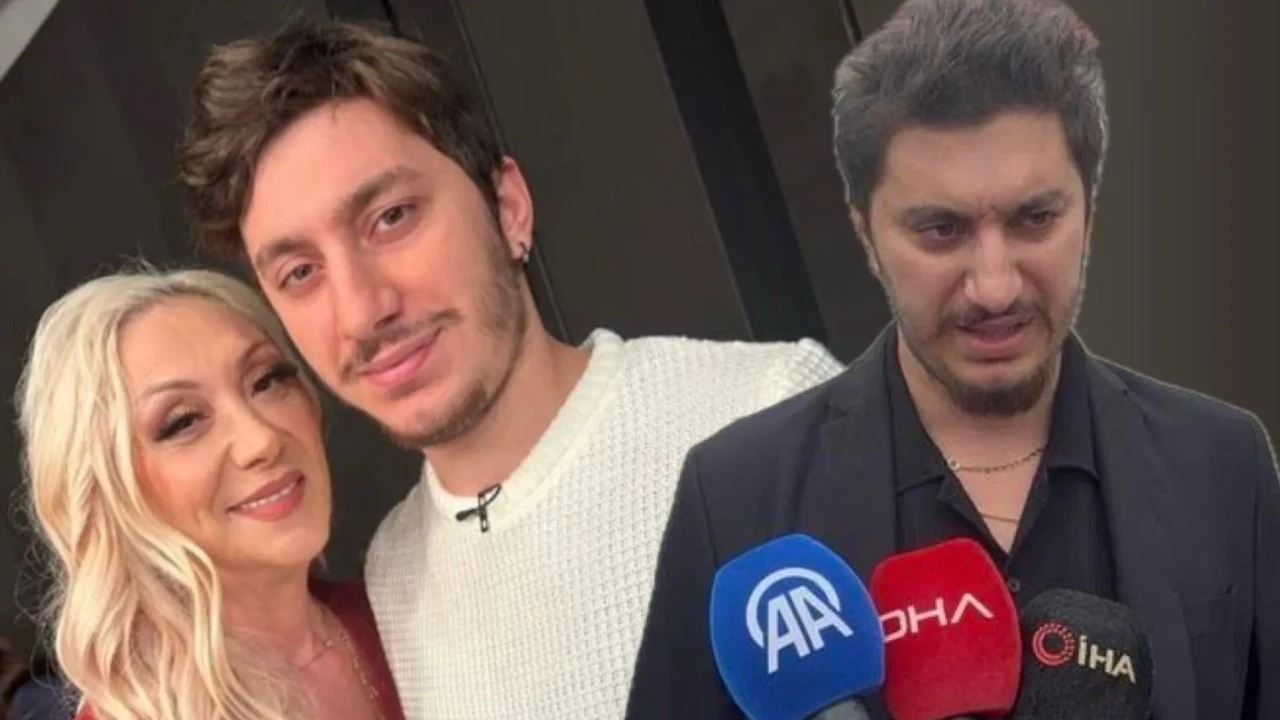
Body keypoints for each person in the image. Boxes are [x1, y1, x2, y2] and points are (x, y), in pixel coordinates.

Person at [625, 0, 1280, 718]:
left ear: (1088, 211)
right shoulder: (736, 498)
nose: (994, 286)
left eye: (1035, 219)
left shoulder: (1223, 463)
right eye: (941, 230)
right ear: (867, 237)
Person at [176, 19, 844, 720]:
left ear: (508, 207)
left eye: (391, 217)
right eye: (300, 272)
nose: (362, 311)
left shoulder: (770, 415)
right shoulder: (395, 572)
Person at [15, 267, 406, 720]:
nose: (261, 439)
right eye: (183, 421)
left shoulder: (406, 609)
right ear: (109, 492)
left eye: (267, 380)